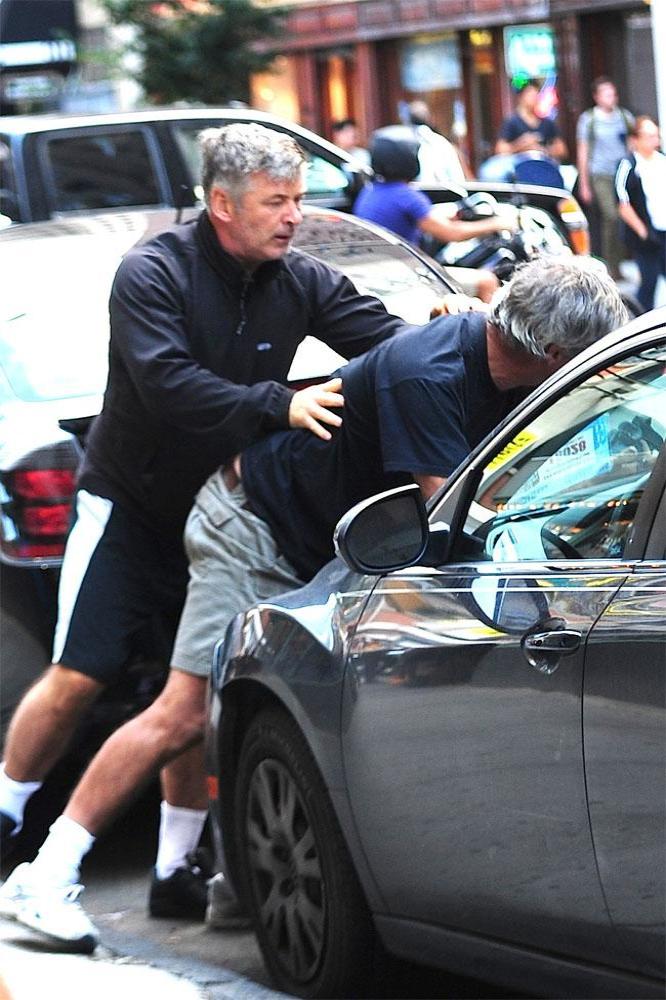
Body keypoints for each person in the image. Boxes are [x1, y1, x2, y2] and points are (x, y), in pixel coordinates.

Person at [0, 257, 628, 952]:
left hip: (322, 534)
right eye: (589, 360)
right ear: (553, 353)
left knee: (223, 699)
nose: (597, 375)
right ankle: (45, 874)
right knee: (181, 710)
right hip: (252, 525)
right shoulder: (431, 373)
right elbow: (453, 522)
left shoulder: (498, 350)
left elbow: (490, 300)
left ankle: (199, 879)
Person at [0, 124, 410, 922]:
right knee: (83, 675)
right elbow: (168, 385)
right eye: (276, 201)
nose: (294, 215)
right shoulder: (151, 273)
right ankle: (9, 816)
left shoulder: (299, 278)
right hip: (131, 505)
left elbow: (386, 341)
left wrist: (453, 328)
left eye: (299, 198)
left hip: (222, 513)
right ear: (221, 204)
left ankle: (173, 868)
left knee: (192, 694)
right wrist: (277, 405)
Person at [354, 135, 512, 302]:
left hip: (379, 271)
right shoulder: (407, 195)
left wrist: (455, 214)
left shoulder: (370, 191)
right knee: (487, 281)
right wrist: (497, 223)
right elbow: (452, 233)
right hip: (404, 275)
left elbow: (422, 218)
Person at [577, 77, 634, 279]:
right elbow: (583, 151)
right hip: (599, 174)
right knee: (611, 215)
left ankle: (617, 262)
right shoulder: (589, 120)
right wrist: (584, 183)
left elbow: (631, 144)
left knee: (622, 218)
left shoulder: (624, 117)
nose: (612, 98)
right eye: (607, 94)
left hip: (620, 173)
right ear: (597, 97)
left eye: (613, 93)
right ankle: (609, 263)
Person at [615, 115, 666, 311]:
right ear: (636, 139)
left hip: (664, 227)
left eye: (656, 136)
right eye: (649, 136)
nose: (654, 140)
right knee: (649, 282)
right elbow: (623, 203)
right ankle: (640, 322)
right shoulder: (629, 165)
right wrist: (643, 231)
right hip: (645, 234)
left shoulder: (661, 161)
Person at [496, 79, 567, 162]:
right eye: (530, 94)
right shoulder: (511, 123)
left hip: (543, 165)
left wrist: (543, 150)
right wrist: (521, 145)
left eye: (536, 94)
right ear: (521, 97)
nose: (534, 98)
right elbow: (500, 150)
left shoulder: (547, 123)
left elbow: (562, 150)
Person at [403, 100, 469, 184]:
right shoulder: (442, 143)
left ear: (407, 120)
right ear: (429, 119)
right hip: (442, 195)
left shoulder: (402, 142)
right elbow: (458, 179)